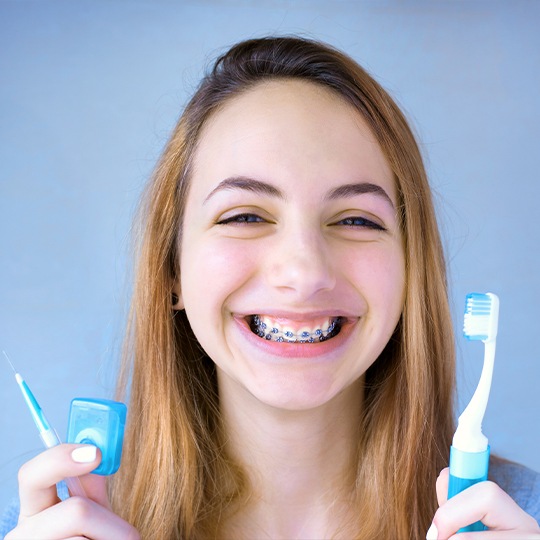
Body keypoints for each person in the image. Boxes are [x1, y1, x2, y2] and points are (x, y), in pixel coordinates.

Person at [2, 36, 539, 540]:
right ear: (172, 271)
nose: (304, 273)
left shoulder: (521, 518)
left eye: (356, 220)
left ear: (409, 270)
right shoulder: (50, 525)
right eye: (244, 216)